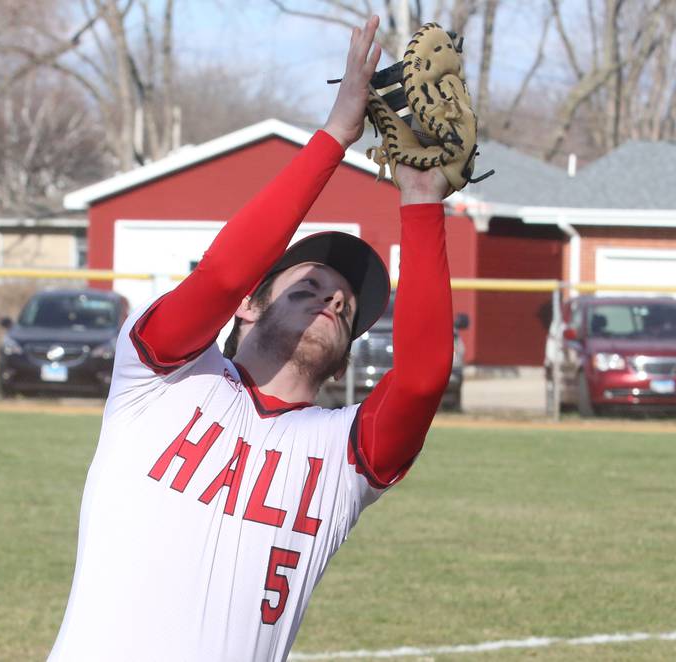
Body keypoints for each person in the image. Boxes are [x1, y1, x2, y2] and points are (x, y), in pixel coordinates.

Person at [48, 15, 454, 662]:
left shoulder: (346, 458)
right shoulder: (159, 378)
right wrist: (334, 136)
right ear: (247, 308)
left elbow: (424, 377)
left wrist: (423, 201)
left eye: (344, 305)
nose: (333, 297)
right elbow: (223, 272)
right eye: (308, 285)